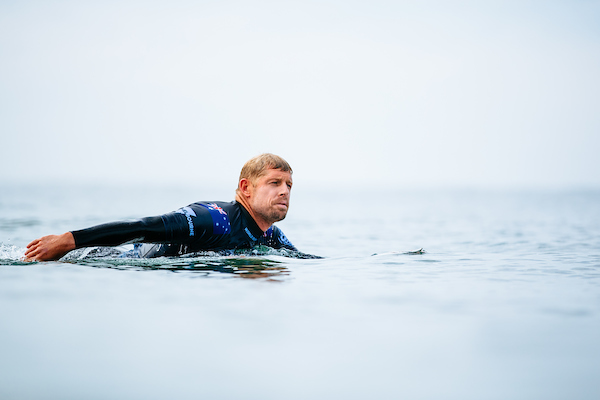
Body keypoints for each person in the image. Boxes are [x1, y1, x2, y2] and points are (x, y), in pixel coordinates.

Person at [24, 153, 298, 261]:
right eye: (275, 182)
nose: (284, 191)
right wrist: (68, 241)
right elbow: (143, 228)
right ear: (246, 188)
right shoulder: (213, 219)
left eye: (288, 185)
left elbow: (308, 262)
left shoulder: (270, 236)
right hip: (117, 260)